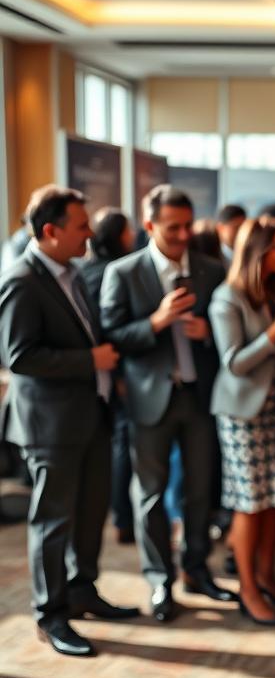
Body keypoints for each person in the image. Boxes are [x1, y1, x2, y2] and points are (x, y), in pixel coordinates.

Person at [0, 185, 138, 657]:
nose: (90, 233)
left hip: (90, 417)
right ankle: (50, 614)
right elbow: (20, 357)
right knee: (53, 522)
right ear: (50, 231)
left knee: (89, 514)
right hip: (51, 426)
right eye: (81, 226)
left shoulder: (72, 273)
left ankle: (83, 591)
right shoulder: (20, 280)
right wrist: (90, 359)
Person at [101, 184, 236, 623]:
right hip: (148, 400)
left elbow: (228, 333)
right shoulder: (124, 272)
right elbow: (113, 336)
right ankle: (160, 579)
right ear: (149, 225)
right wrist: (157, 322)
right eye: (171, 227)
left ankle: (196, 570)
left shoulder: (212, 269)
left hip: (197, 398)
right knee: (151, 495)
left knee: (200, 491)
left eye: (186, 226)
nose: (181, 235)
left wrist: (207, 335)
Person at [209, 219, 275, 626]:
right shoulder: (226, 299)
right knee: (251, 503)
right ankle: (247, 588)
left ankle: (268, 577)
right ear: (257, 251)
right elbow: (234, 363)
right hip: (241, 413)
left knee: (274, 499)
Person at [78, 207, 137, 545]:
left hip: (99, 372)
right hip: (110, 370)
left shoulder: (83, 271)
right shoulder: (115, 272)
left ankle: (119, 517)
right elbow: (107, 330)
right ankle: (123, 518)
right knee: (121, 443)